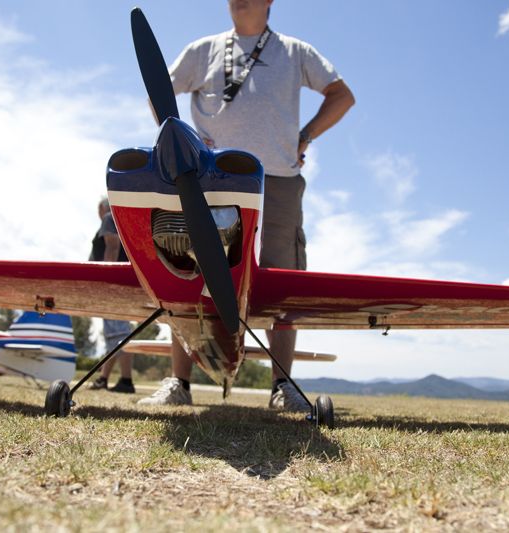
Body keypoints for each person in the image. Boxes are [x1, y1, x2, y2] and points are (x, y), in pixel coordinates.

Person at [138, 0, 354, 409]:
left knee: (282, 276)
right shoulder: (202, 50)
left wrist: (305, 136)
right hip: (210, 178)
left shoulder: (295, 51)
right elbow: (158, 93)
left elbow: (342, 95)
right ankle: (179, 383)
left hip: (278, 179)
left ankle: (282, 386)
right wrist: (183, 140)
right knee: (187, 267)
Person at [88, 198, 136, 393]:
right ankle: (103, 378)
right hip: (120, 286)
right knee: (113, 334)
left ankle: (126, 380)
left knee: (119, 333)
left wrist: (107, 280)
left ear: (102, 208)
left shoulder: (110, 217)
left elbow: (112, 246)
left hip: (113, 286)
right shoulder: (119, 220)